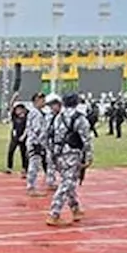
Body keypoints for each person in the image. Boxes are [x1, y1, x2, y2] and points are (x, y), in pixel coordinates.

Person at [45, 93, 93, 227]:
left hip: (57, 153)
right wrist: (89, 156)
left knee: (69, 182)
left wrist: (52, 154)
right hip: (71, 154)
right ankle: (54, 214)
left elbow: (50, 135)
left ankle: (75, 208)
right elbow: (86, 140)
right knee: (67, 183)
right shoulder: (79, 118)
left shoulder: (56, 117)